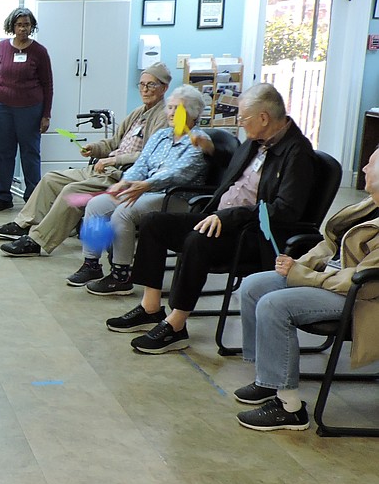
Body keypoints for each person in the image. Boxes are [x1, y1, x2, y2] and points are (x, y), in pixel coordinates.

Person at [107, 83, 316, 354]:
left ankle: (177, 324)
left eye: (244, 119)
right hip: (220, 219)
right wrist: (211, 150)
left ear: (264, 118)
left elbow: (286, 210)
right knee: (153, 223)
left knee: (198, 240)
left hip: (254, 234)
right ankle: (150, 308)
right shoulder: (256, 143)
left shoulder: (297, 153)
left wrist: (232, 216)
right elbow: (231, 170)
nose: (241, 124)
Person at [232, 145, 379, 431]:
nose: (362, 169)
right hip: (329, 280)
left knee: (274, 305)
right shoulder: (369, 204)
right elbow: (328, 245)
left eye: (370, 164)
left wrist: (304, 276)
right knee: (253, 286)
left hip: (359, 297)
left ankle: (289, 408)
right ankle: (268, 379)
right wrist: (299, 263)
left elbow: (363, 282)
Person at [0, 63, 171, 256]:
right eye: (142, 84)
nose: (145, 90)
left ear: (164, 88)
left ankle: (37, 241)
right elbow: (113, 142)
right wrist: (94, 148)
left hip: (121, 175)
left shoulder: (163, 117)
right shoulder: (138, 113)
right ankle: (23, 223)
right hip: (103, 168)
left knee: (72, 192)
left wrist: (114, 160)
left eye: (151, 85)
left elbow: (149, 156)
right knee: (51, 179)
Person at [68, 85, 211, 293]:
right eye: (169, 108)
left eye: (177, 109)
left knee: (123, 212)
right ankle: (91, 265)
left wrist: (146, 184)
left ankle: (121, 276)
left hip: (175, 196)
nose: (171, 113)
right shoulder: (161, 135)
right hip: (145, 190)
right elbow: (141, 164)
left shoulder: (198, 140)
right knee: (96, 205)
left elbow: (180, 173)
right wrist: (125, 182)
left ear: (192, 113)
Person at [0, 7, 53, 211]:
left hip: (30, 109)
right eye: (19, 25)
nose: (23, 29)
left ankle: (32, 198)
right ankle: (4, 196)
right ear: (12, 26)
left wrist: (46, 115)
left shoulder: (39, 51)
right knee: (5, 152)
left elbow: (48, 85)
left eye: (26, 24)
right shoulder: (2, 47)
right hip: (3, 109)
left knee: (30, 153)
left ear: (31, 26)